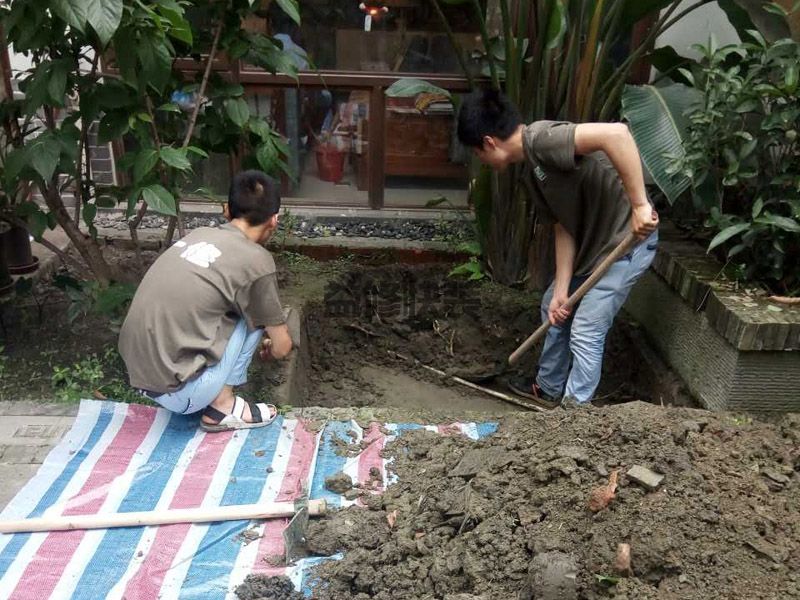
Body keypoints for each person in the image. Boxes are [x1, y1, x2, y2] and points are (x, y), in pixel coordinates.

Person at [457, 89, 659, 409]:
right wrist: (562, 289)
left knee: (586, 331)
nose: (480, 161)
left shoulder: (541, 139)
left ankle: (572, 414)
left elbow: (616, 134)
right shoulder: (530, 170)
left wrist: (639, 205)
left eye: (477, 154)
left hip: (625, 245)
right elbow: (562, 226)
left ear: (489, 142)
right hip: (592, 250)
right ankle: (548, 387)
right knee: (552, 306)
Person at [118, 170, 292, 431]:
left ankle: (209, 393)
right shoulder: (257, 261)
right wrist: (270, 342)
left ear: (225, 210)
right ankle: (223, 407)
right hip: (182, 395)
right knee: (251, 315)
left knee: (231, 306)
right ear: (274, 220)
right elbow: (282, 348)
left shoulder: (198, 236)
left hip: (138, 378)